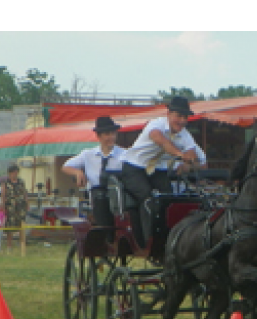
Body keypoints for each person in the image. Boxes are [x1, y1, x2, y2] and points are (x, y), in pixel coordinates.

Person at [119, 96, 205, 246]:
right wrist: (180, 155)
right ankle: (147, 241)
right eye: (179, 116)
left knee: (169, 199)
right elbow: (162, 141)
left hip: (157, 170)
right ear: (169, 114)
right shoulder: (156, 124)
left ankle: (168, 239)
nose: (182, 121)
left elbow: (192, 153)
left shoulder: (185, 134)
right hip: (134, 167)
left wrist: (188, 164)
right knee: (148, 197)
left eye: (185, 117)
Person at [61, 116, 126, 227]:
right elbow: (66, 166)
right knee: (100, 200)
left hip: (118, 199)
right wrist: (78, 173)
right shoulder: (88, 154)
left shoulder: (124, 154)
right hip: (97, 200)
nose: (111, 137)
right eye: (107, 134)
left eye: (113, 133)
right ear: (98, 136)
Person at [2, 164, 29, 252]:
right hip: (10, 206)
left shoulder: (21, 182)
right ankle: (9, 245)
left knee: (21, 224)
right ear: (9, 173)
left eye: (16, 172)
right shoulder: (5, 182)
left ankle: (22, 243)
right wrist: (3, 206)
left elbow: (25, 193)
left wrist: (27, 203)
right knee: (10, 226)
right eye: (13, 172)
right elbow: (3, 195)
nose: (15, 174)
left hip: (21, 206)